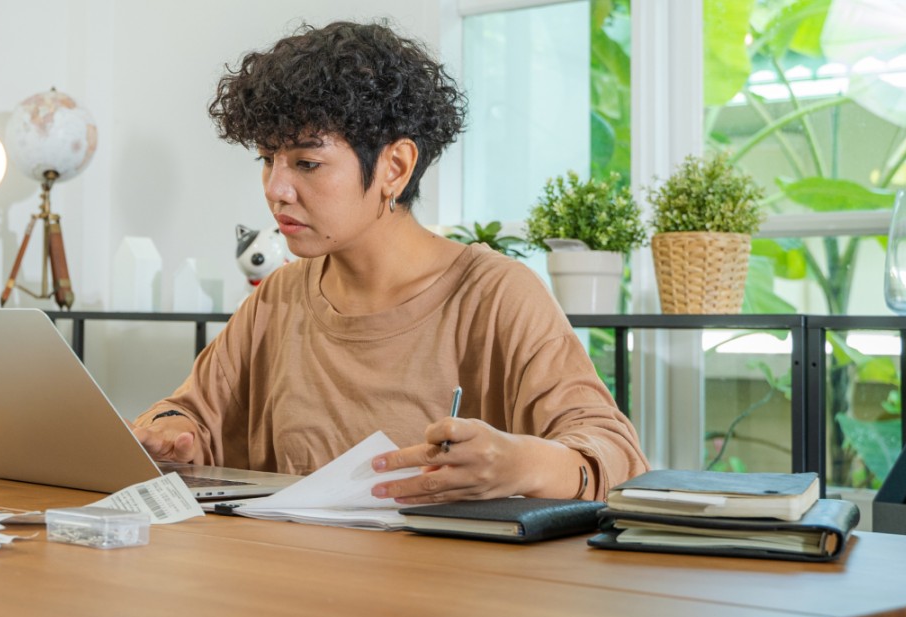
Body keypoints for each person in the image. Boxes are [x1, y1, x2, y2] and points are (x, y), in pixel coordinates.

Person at [131, 21, 647, 503]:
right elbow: (190, 415)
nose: (276, 189)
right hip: (289, 588)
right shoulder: (278, 298)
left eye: (307, 163)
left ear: (394, 167)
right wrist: (170, 431)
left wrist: (525, 464)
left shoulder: (497, 295)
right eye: (268, 160)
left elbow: (615, 456)